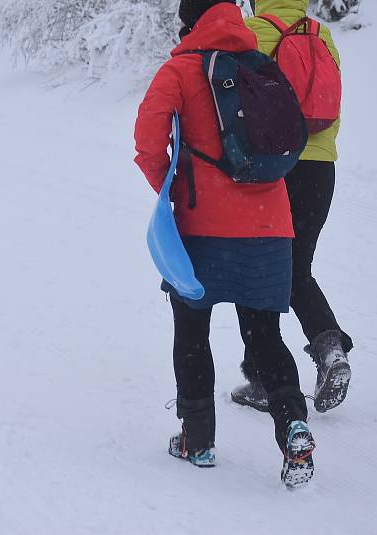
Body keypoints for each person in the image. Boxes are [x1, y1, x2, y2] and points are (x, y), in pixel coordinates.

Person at [134, 0, 315, 487]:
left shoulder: (180, 69)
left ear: (188, 21)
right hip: (271, 229)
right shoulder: (263, 65)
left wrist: (172, 191)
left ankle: (198, 441)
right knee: (266, 337)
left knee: (192, 333)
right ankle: (294, 427)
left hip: (203, 231)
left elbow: (148, 141)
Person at [231, 0, 353, 415]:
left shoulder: (253, 31)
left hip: (275, 166)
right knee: (298, 267)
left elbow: (237, 105)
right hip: (322, 168)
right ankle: (329, 346)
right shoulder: (322, 34)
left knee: (257, 268)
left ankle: (265, 379)